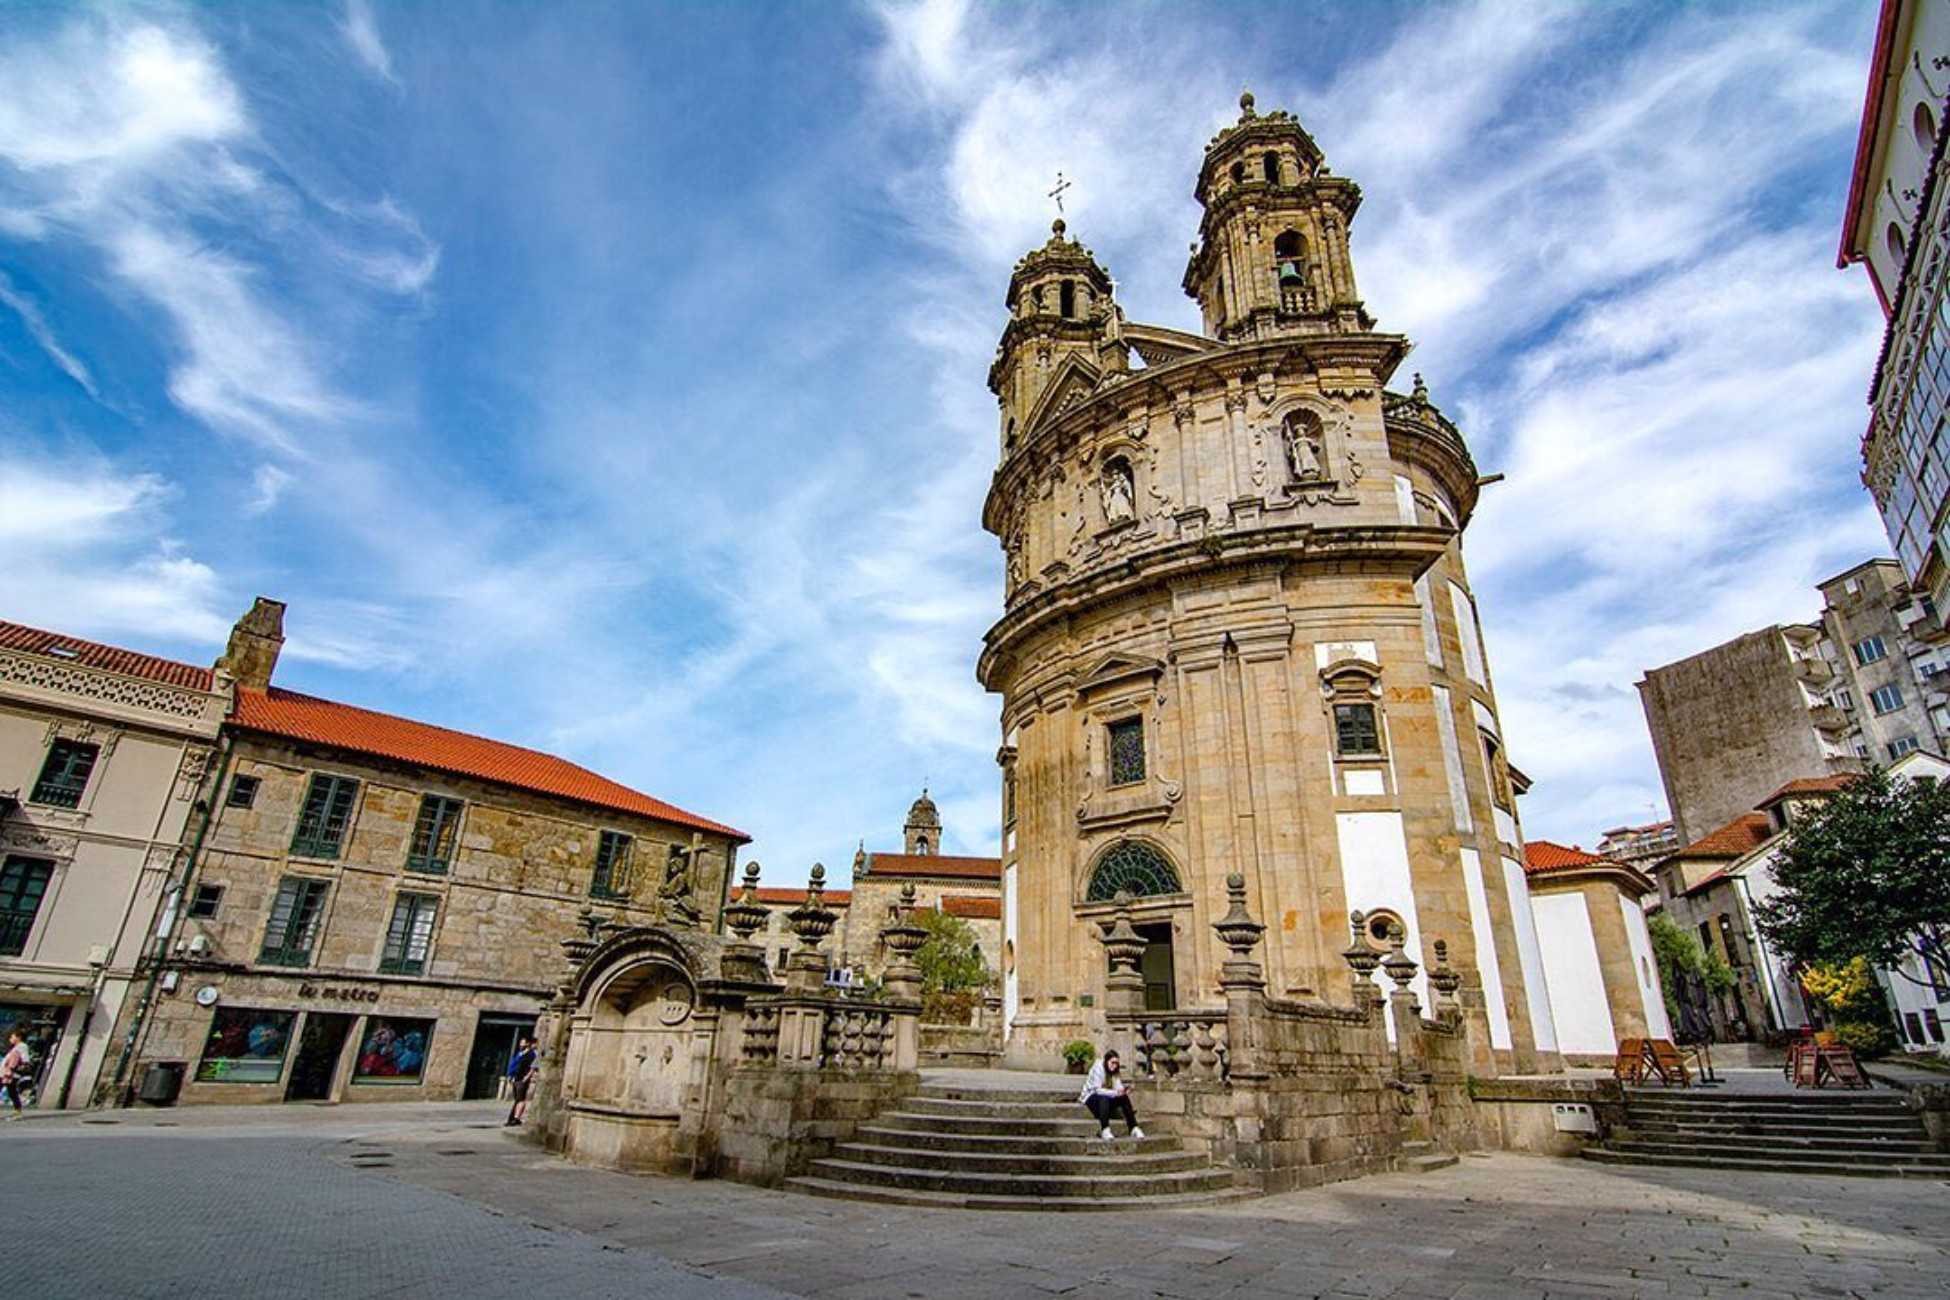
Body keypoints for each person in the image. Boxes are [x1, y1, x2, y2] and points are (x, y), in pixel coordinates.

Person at [1078, 1049, 1143, 1140]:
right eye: (1112, 1063)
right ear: (1106, 1061)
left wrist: (1123, 1091)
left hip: (1107, 1097)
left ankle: (1133, 1127)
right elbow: (1097, 1090)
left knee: (1124, 1098)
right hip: (1091, 1096)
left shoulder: (1114, 1071)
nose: (1114, 1065)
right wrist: (1115, 1093)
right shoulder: (1098, 1068)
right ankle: (1105, 1129)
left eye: (1116, 1063)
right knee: (1103, 1098)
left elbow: (1117, 1085)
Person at [505, 1036, 538, 1127]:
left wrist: (527, 1077)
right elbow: (515, 1065)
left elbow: (534, 1067)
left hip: (522, 1078)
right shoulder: (521, 1053)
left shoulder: (532, 1054)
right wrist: (511, 1076)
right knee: (517, 1099)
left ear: (528, 1044)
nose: (521, 1044)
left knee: (520, 1099)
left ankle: (516, 1118)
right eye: (520, 1042)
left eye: (523, 1042)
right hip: (516, 1078)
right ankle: (513, 1118)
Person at [1, 1031, 32, 1121]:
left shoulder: (22, 1046)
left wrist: (16, 1068)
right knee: (12, 1092)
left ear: (18, 1038)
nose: (10, 1039)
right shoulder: (16, 1048)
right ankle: (17, 1112)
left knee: (12, 1092)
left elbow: (25, 1059)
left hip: (10, 1074)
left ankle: (17, 1112)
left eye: (12, 1037)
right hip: (6, 1073)